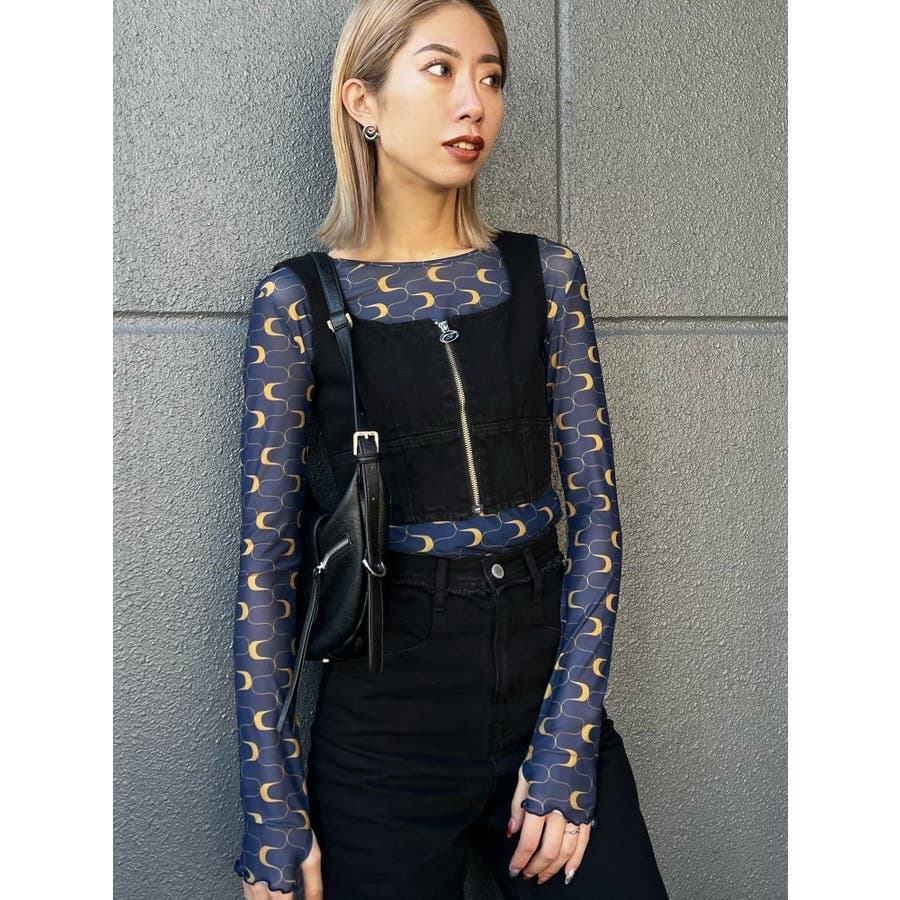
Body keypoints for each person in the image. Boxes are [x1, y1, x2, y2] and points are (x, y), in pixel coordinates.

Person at [232, 1, 669, 898]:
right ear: (363, 101)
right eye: (440, 69)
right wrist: (270, 805)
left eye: (491, 76)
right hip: (383, 723)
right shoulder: (297, 302)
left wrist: (568, 739)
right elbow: (268, 564)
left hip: (543, 692)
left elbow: (595, 516)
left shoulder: (546, 275)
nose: (474, 102)